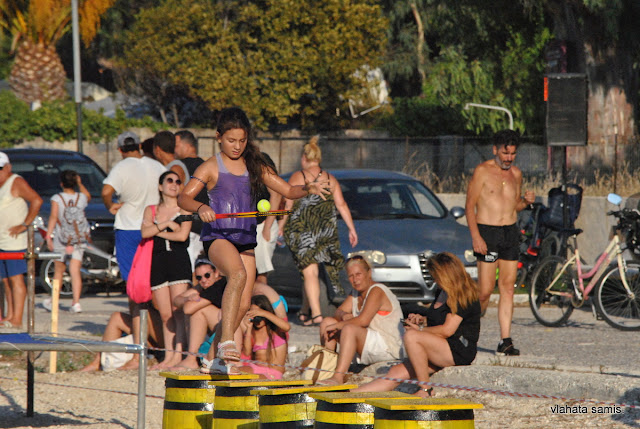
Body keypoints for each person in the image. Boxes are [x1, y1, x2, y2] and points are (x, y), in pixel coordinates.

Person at [178, 107, 330, 375]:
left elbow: (287, 190)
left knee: (244, 304)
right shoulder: (211, 166)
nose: (237, 146)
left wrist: (308, 188)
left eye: (242, 140)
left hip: (245, 239)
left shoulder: (255, 165)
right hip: (218, 237)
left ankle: (211, 358)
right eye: (231, 140)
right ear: (218, 137)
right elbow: (183, 198)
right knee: (237, 275)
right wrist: (201, 207)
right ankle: (227, 341)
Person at [352, 252, 481, 397]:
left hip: (458, 350)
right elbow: (438, 320)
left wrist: (420, 329)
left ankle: (425, 389)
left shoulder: (463, 294)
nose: (434, 280)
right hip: (438, 347)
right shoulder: (441, 292)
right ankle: (353, 394)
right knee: (396, 372)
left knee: (412, 336)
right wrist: (422, 320)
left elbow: (447, 330)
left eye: (435, 276)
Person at [465, 129, 534, 356]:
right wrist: (476, 236)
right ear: (495, 150)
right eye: (505, 153)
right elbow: (469, 206)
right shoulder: (482, 171)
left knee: (507, 287)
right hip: (487, 232)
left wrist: (526, 201)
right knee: (485, 290)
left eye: (513, 154)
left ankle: (505, 341)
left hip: (509, 233)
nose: (509, 158)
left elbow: (514, 205)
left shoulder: (516, 174)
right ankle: (468, 327)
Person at [101, 131, 165, 367]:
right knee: (152, 289)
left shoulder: (121, 167)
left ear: (120, 149)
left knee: (135, 290)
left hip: (129, 228)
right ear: (138, 145)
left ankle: (140, 349)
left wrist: (111, 205)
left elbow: (106, 191)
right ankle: (153, 343)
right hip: (153, 226)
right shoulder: (156, 166)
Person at [281, 136, 358, 326]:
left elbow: (288, 204)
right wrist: (351, 229)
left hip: (302, 231)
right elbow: (341, 204)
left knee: (309, 272)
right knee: (309, 272)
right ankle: (304, 311)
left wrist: (280, 226)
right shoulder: (330, 179)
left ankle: (316, 315)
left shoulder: (298, 176)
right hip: (324, 232)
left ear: (304, 158)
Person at [316, 255, 403, 386]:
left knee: (349, 329)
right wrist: (344, 316)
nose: (355, 280)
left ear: (369, 273)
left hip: (387, 345)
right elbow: (338, 312)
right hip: (368, 340)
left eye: (358, 274)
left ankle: (338, 377)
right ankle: (327, 370)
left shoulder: (377, 290)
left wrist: (339, 325)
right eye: (351, 276)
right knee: (327, 322)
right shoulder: (355, 293)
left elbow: (363, 321)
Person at [143, 170, 192, 370]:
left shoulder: (184, 209)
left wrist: (158, 231)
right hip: (157, 263)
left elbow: (182, 236)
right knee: (165, 314)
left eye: (178, 181)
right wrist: (167, 224)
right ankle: (168, 356)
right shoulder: (151, 210)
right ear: (160, 186)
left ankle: (179, 355)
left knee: (178, 312)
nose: (174, 184)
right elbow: (144, 232)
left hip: (178, 261)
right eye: (169, 180)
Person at [0, 151, 43, 329]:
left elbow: (36, 200)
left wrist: (24, 225)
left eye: (0, 168)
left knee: (16, 279)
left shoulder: (16, 181)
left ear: (8, 167)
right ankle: (10, 316)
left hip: (14, 241)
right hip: (2, 240)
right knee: (6, 280)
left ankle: (17, 318)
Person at [43, 170, 92, 314]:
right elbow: (88, 196)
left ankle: (54, 300)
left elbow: (53, 217)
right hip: (78, 238)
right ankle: (76, 303)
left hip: (62, 238)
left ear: (61, 183)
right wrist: (80, 184)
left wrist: (48, 236)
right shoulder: (81, 198)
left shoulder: (57, 198)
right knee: (75, 270)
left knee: (59, 270)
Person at [172, 260, 226, 370]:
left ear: (216, 273)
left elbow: (187, 309)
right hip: (221, 326)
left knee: (198, 311)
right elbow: (176, 300)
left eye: (207, 275)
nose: (204, 280)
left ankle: (191, 358)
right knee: (193, 309)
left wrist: (190, 301)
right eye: (199, 278)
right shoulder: (204, 286)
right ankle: (190, 357)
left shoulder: (219, 285)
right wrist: (188, 298)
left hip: (234, 327)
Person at [79, 306, 164, 372]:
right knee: (116, 317)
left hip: (166, 335)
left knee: (140, 309)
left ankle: (137, 359)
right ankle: (97, 362)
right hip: (151, 329)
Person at [237, 294, 290, 379]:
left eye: (259, 316)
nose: (257, 319)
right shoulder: (254, 332)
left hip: (273, 373)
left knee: (255, 378)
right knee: (235, 372)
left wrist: (263, 313)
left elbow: (287, 327)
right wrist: (249, 328)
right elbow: (247, 352)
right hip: (256, 368)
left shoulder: (276, 330)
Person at [174, 130, 207, 268]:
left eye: (176, 145)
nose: (173, 149)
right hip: (206, 226)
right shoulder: (206, 166)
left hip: (189, 228)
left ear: (186, 145)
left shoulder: (178, 167)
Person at [254, 153, 282, 284]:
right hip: (250, 227)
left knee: (261, 275)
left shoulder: (263, 167)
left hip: (264, 225)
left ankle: (261, 297)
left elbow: (276, 196)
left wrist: (267, 228)